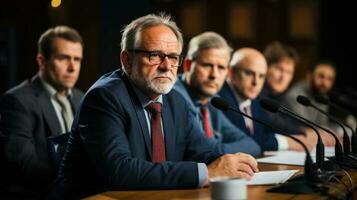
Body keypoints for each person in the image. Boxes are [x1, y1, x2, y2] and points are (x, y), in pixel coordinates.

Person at [48, 14, 258, 199]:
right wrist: (207, 172)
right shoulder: (105, 97)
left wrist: (233, 163)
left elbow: (204, 152)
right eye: (154, 55)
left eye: (173, 57)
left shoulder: (176, 101)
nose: (166, 66)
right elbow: (120, 171)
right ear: (126, 60)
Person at [0, 26, 84, 199]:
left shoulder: (81, 98)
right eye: (64, 58)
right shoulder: (17, 100)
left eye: (77, 59)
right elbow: (23, 163)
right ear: (42, 61)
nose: (72, 67)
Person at [173, 32, 261, 157]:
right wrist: (218, 150)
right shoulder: (175, 97)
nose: (214, 75)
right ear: (188, 65)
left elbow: (252, 145)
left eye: (221, 68)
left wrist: (218, 149)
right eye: (207, 65)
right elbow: (204, 151)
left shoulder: (213, 100)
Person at [218, 48, 315, 151]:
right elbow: (246, 139)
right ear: (231, 73)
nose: (256, 82)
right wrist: (287, 142)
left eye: (261, 76)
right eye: (249, 73)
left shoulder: (253, 99)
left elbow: (262, 133)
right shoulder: (221, 99)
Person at [286, 60, 339, 133]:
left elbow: (323, 124)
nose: (325, 83)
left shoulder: (323, 97)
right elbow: (305, 125)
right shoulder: (296, 95)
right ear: (309, 76)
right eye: (321, 76)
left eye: (330, 79)